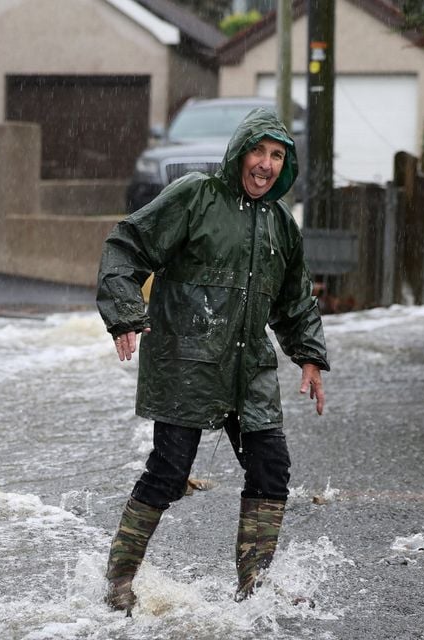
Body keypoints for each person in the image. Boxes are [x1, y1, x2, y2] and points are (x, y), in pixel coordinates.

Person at [95, 107, 329, 615]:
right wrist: (126, 314)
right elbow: (126, 245)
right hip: (188, 364)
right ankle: (118, 581)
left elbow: (294, 301)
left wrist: (309, 356)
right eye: (259, 152)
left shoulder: (281, 225)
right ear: (240, 152)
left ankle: (254, 587)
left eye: (277, 156)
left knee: (272, 469)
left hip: (251, 373)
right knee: (168, 471)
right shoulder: (196, 196)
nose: (266, 165)